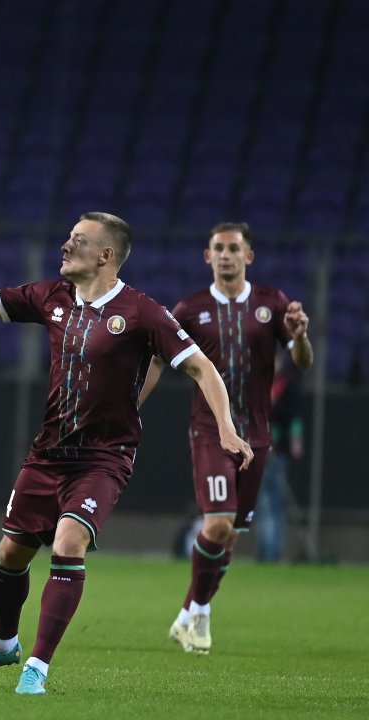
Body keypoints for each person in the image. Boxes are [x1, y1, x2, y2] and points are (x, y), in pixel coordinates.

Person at [0, 213, 253, 694]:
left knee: (67, 544)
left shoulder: (142, 312)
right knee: (11, 554)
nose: (65, 245)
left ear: (106, 255)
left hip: (105, 457)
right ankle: (1, 647)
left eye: (77, 240)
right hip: (49, 453)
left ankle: (38, 665)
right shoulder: (51, 297)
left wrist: (225, 427)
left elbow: (202, 367)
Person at [139, 221, 312, 655]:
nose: (226, 255)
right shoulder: (190, 308)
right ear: (208, 256)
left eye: (234, 248)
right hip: (210, 431)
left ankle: (186, 615)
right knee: (216, 525)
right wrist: (132, 402)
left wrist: (302, 335)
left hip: (257, 435)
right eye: (219, 248)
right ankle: (201, 614)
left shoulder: (272, 303)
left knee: (231, 534)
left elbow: (302, 362)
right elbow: (158, 359)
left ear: (248, 256)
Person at [255, 349, 305, 562]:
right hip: (260, 449)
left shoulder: (288, 387)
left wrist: (295, 440)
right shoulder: (259, 386)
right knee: (263, 502)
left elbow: (294, 417)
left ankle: (274, 552)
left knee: (275, 501)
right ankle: (266, 551)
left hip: (279, 451)